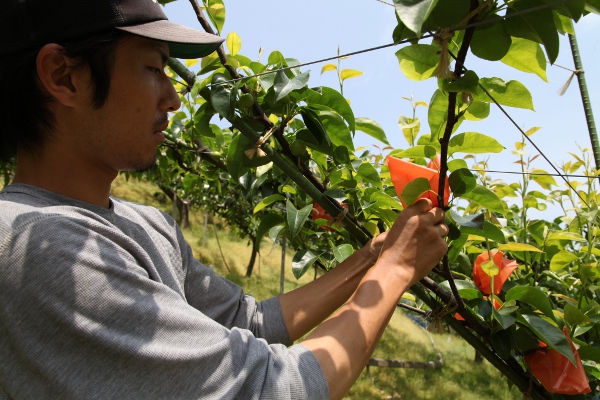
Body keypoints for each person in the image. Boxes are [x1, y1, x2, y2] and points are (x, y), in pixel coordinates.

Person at [0, 0, 449, 399]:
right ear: (64, 76)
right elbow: (267, 388)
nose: (174, 99)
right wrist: (397, 270)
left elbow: (247, 322)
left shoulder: (145, 224)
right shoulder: (42, 246)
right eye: (154, 69)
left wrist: (371, 258)